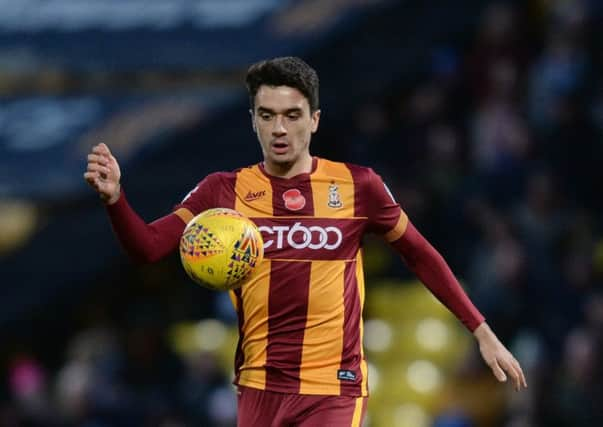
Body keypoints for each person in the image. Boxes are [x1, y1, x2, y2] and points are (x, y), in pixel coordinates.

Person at [84, 56, 527, 427]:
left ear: (314, 120)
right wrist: (116, 200)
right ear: (253, 121)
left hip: (333, 386)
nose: (280, 128)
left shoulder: (358, 186)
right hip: (259, 386)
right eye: (268, 115)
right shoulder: (222, 191)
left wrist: (480, 330)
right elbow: (147, 247)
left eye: (292, 115)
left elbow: (418, 253)